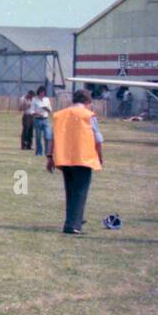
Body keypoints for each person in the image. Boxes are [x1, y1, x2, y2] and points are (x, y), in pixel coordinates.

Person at [46, 89, 104, 235]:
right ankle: (73, 225)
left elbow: (51, 136)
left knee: (71, 192)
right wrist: (100, 156)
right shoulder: (88, 115)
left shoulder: (60, 115)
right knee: (80, 192)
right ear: (87, 102)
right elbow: (98, 139)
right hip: (83, 157)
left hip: (64, 158)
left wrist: (49, 156)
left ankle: (74, 219)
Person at [30, 86, 53, 157]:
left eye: (44, 93)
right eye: (41, 92)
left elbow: (50, 109)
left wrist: (47, 109)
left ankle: (47, 152)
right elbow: (31, 110)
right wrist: (36, 113)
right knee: (38, 137)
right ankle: (39, 152)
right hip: (37, 120)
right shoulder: (34, 99)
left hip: (45, 119)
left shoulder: (47, 99)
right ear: (39, 92)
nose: (42, 94)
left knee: (47, 136)